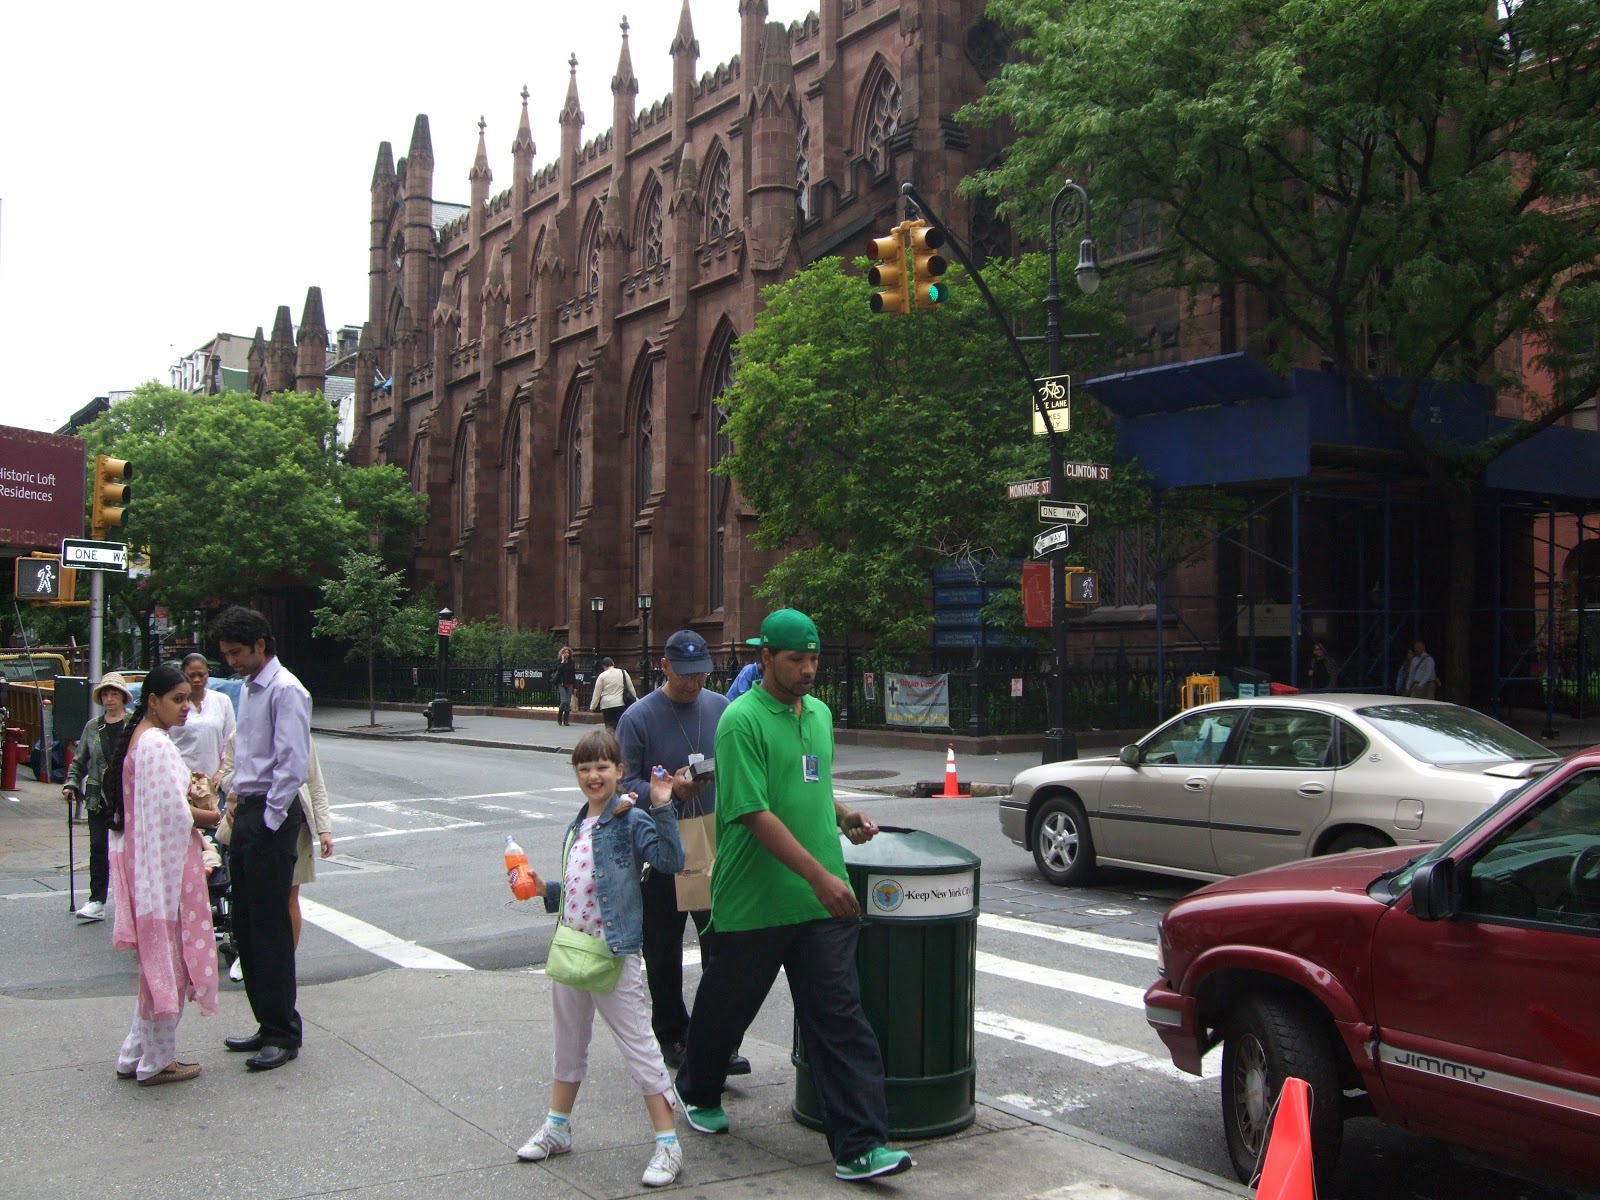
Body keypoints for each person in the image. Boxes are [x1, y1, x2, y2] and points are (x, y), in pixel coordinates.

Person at [675, 609, 914, 1183]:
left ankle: (860, 1145)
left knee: (840, 1018)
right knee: (726, 1008)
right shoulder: (741, 721)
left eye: (814, 659)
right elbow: (753, 811)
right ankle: (696, 1086)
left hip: (818, 903)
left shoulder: (821, 715)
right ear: (766, 658)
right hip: (757, 899)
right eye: (796, 660)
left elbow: (809, 782)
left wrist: (843, 813)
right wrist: (820, 875)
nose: (808, 670)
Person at [515, 729, 686, 1188]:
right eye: (585, 768)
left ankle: (668, 1145)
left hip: (613, 952)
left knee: (639, 1047)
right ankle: (558, 1128)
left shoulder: (630, 819)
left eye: (602, 767)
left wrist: (663, 803)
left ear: (619, 770)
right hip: (572, 950)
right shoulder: (578, 823)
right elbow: (581, 886)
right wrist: (542, 888)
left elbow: (671, 860)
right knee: (567, 1044)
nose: (593, 776)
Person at [617, 630, 748, 1076]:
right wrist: (669, 790)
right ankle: (672, 1034)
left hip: (713, 839)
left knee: (721, 944)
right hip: (663, 846)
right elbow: (622, 784)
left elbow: (737, 765)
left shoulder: (721, 708)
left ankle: (718, 1040)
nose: (695, 682)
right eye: (686, 674)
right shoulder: (637, 718)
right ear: (666, 667)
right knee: (664, 949)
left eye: (701, 673)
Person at [104, 661, 220, 1085]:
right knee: (168, 966)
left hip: (152, 867)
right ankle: (156, 1062)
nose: (185, 707)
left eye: (188, 699)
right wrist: (210, 815)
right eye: (177, 699)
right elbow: (173, 812)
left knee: (157, 967)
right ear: (153, 701)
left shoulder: (144, 738)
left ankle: (134, 1055)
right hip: (167, 871)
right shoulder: (155, 743)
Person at [212, 605, 311, 1072]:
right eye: (226, 653)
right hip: (247, 812)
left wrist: (269, 821)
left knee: (269, 928)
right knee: (246, 925)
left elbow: (291, 764)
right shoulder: (251, 689)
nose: (230, 661)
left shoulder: (286, 690)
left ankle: (282, 1033)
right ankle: (266, 1019)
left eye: (236, 652)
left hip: (269, 816)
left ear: (260, 646)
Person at [61, 672, 135, 921]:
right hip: (97, 796)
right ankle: (96, 900)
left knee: (130, 851)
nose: (110, 698)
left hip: (128, 797)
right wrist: (71, 784)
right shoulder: (93, 727)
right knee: (98, 848)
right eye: (106, 693)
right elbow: (80, 759)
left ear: (123, 697)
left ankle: (135, 902)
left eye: (114, 693)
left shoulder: (134, 724)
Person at [168, 653, 236, 805]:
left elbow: (230, 742)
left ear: (208, 674)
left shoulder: (222, 701)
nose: (197, 680)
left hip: (214, 784)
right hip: (181, 783)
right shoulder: (173, 704)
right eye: (191, 676)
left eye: (201, 675)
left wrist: (222, 772)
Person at [590, 656, 636, 731]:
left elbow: (596, 693)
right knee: (620, 727)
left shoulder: (602, 676)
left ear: (604, 666)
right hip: (620, 703)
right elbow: (631, 688)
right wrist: (635, 698)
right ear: (613, 664)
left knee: (610, 729)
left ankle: (611, 741)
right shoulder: (623, 672)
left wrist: (593, 706)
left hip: (607, 705)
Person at [553, 645, 578, 726]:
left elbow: (573, 675)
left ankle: (566, 720)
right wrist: (563, 662)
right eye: (565, 653)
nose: (566, 654)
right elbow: (559, 671)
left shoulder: (571, 663)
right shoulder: (559, 662)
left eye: (568, 653)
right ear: (562, 654)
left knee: (568, 702)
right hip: (561, 683)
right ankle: (559, 717)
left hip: (570, 683)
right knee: (564, 701)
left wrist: (575, 686)